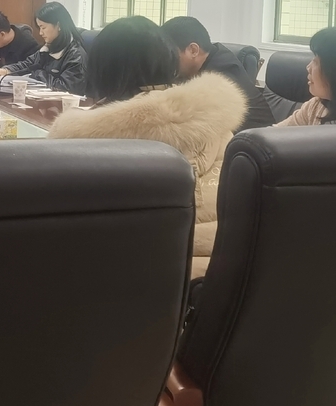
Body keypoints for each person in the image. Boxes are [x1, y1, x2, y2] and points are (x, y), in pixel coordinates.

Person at [48, 16, 247, 277]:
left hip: (144, 275)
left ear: (103, 70)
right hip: (228, 269)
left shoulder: (85, 138)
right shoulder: (215, 118)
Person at [161, 16, 275, 131]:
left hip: (254, 140)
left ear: (193, 50)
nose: (166, 61)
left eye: (170, 54)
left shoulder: (222, 75)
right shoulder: (208, 60)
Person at [0, 2, 88, 95]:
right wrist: (7, 70)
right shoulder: (48, 48)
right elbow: (29, 63)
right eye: (39, 28)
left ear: (58, 26)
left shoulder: (76, 55)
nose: (40, 33)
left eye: (43, 28)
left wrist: (38, 74)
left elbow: (68, 88)